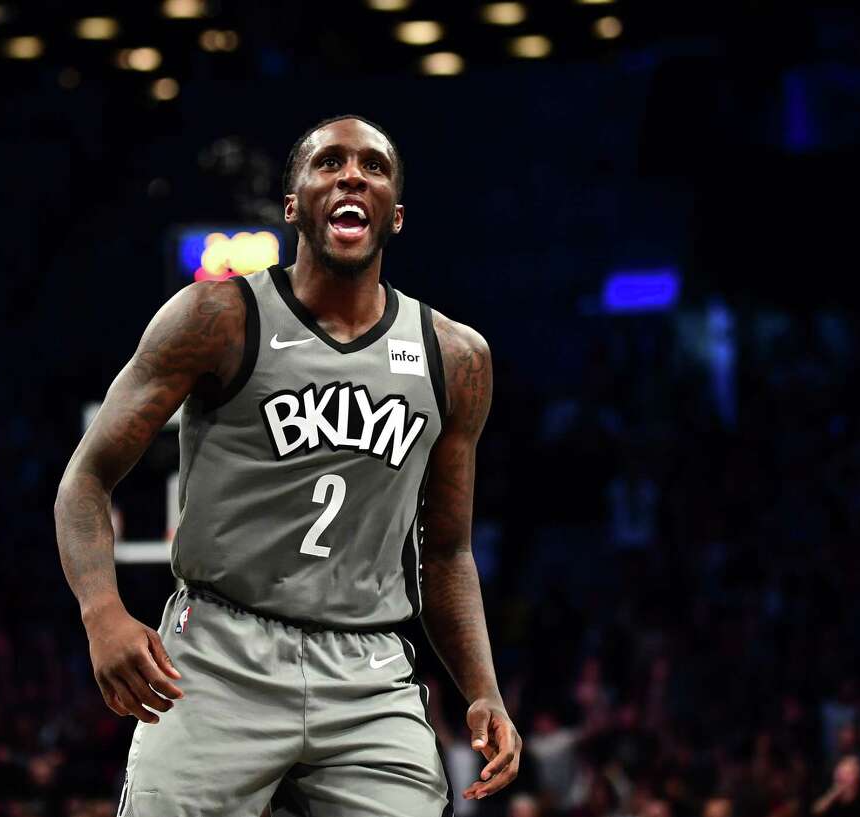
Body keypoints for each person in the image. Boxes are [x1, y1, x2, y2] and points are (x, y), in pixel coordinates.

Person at [54, 114, 521, 816]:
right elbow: (85, 479)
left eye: (373, 166)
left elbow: (447, 549)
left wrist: (481, 687)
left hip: (369, 667)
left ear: (395, 215)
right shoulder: (217, 317)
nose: (353, 175)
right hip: (219, 653)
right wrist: (103, 612)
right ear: (294, 204)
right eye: (329, 163)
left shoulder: (455, 357)